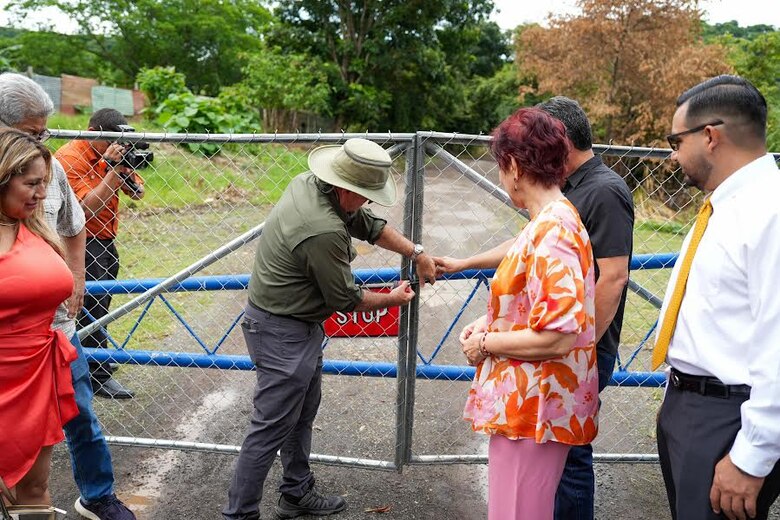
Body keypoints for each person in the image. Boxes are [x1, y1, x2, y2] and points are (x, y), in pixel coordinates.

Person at [435, 96, 633, 519]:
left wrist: (487, 342)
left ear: (515, 166)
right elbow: (540, 305)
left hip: (535, 406)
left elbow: (558, 334)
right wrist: (490, 322)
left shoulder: (554, 229)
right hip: (530, 404)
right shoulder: (551, 221)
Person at [223, 138, 437, 520]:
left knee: (300, 414)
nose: (369, 203)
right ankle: (239, 515)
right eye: (366, 195)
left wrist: (416, 253)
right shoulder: (321, 228)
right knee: (269, 429)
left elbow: (365, 224)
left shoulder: (311, 184)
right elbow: (346, 298)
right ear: (346, 188)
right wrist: (395, 298)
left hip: (293, 326)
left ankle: (295, 492)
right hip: (281, 332)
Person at [0, 73, 136, 519]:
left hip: (55, 335)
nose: (43, 140)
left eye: (45, 132)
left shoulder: (47, 171)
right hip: (9, 353)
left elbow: (74, 224)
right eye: (32, 132)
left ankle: (97, 495)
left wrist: (75, 278)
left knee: (77, 418)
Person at [653, 75, 780, 520]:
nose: (672, 154)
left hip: (726, 417)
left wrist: (751, 456)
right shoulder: (728, 204)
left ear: (709, 136)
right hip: (693, 406)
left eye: (675, 140)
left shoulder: (769, 211)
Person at [537, 97, 634, 520]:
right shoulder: (570, 190)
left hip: (584, 346)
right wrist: (465, 262)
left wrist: (583, 345)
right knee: (556, 448)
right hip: (566, 341)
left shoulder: (605, 191)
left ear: (561, 141)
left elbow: (612, 277)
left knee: (571, 453)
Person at [0, 128, 79, 507]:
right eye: (32, 183)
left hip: (36, 374)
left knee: (33, 492)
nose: (42, 194)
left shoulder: (34, 228)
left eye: (44, 182)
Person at [56, 108, 145, 400]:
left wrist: (122, 168)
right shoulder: (71, 157)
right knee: (88, 306)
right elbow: (84, 210)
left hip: (107, 238)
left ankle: (95, 359)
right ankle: (97, 375)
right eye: (110, 141)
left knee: (101, 304)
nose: (114, 147)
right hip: (82, 241)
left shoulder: (112, 152)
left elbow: (137, 191)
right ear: (94, 134)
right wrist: (110, 170)